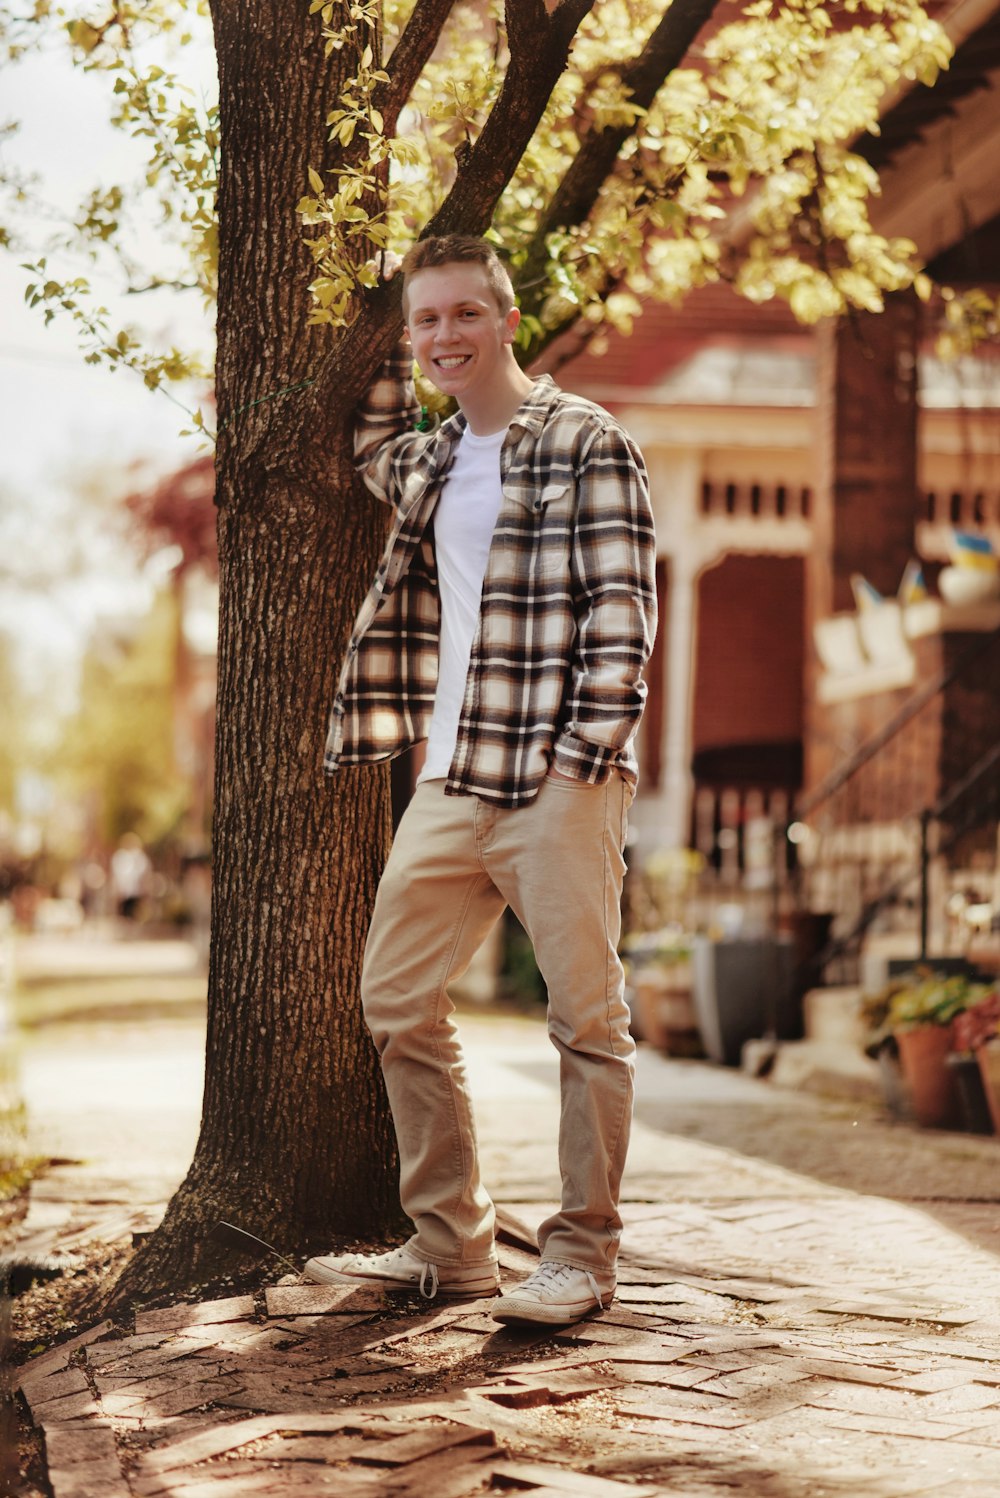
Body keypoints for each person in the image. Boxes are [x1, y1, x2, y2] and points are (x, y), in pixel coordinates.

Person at [305, 235, 657, 1325]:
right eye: (425, 323)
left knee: (585, 1019)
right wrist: (372, 309)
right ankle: (452, 1245)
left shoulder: (585, 441)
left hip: (557, 773)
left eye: (463, 314)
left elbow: (624, 610)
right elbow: (365, 430)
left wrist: (584, 751)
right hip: (451, 776)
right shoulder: (426, 458)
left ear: (507, 319)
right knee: (394, 996)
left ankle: (582, 1255)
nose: (444, 337)